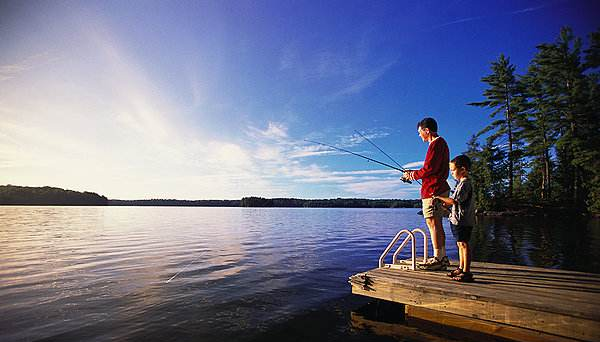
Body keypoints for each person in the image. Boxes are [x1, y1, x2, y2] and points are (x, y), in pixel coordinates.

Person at [403, 117, 450, 271]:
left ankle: (437, 258)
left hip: (433, 190)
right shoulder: (440, 144)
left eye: (419, 132)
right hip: (436, 188)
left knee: (433, 224)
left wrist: (412, 175)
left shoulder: (436, 144)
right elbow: (431, 168)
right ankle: (442, 257)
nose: (419, 135)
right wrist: (414, 174)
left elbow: (429, 169)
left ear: (426, 130)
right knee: (436, 223)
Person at [433, 155, 476, 282]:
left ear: (462, 169)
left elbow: (455, 201)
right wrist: (446, 206)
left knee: (464, 244)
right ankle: (461, 268)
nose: (451, 173)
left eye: (453, 170)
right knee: (459, 244)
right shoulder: (460, 184)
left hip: (463, 221)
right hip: (457, 219)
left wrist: (439, 198)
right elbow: (456, 203)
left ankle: (466, 272)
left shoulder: (465, 184)